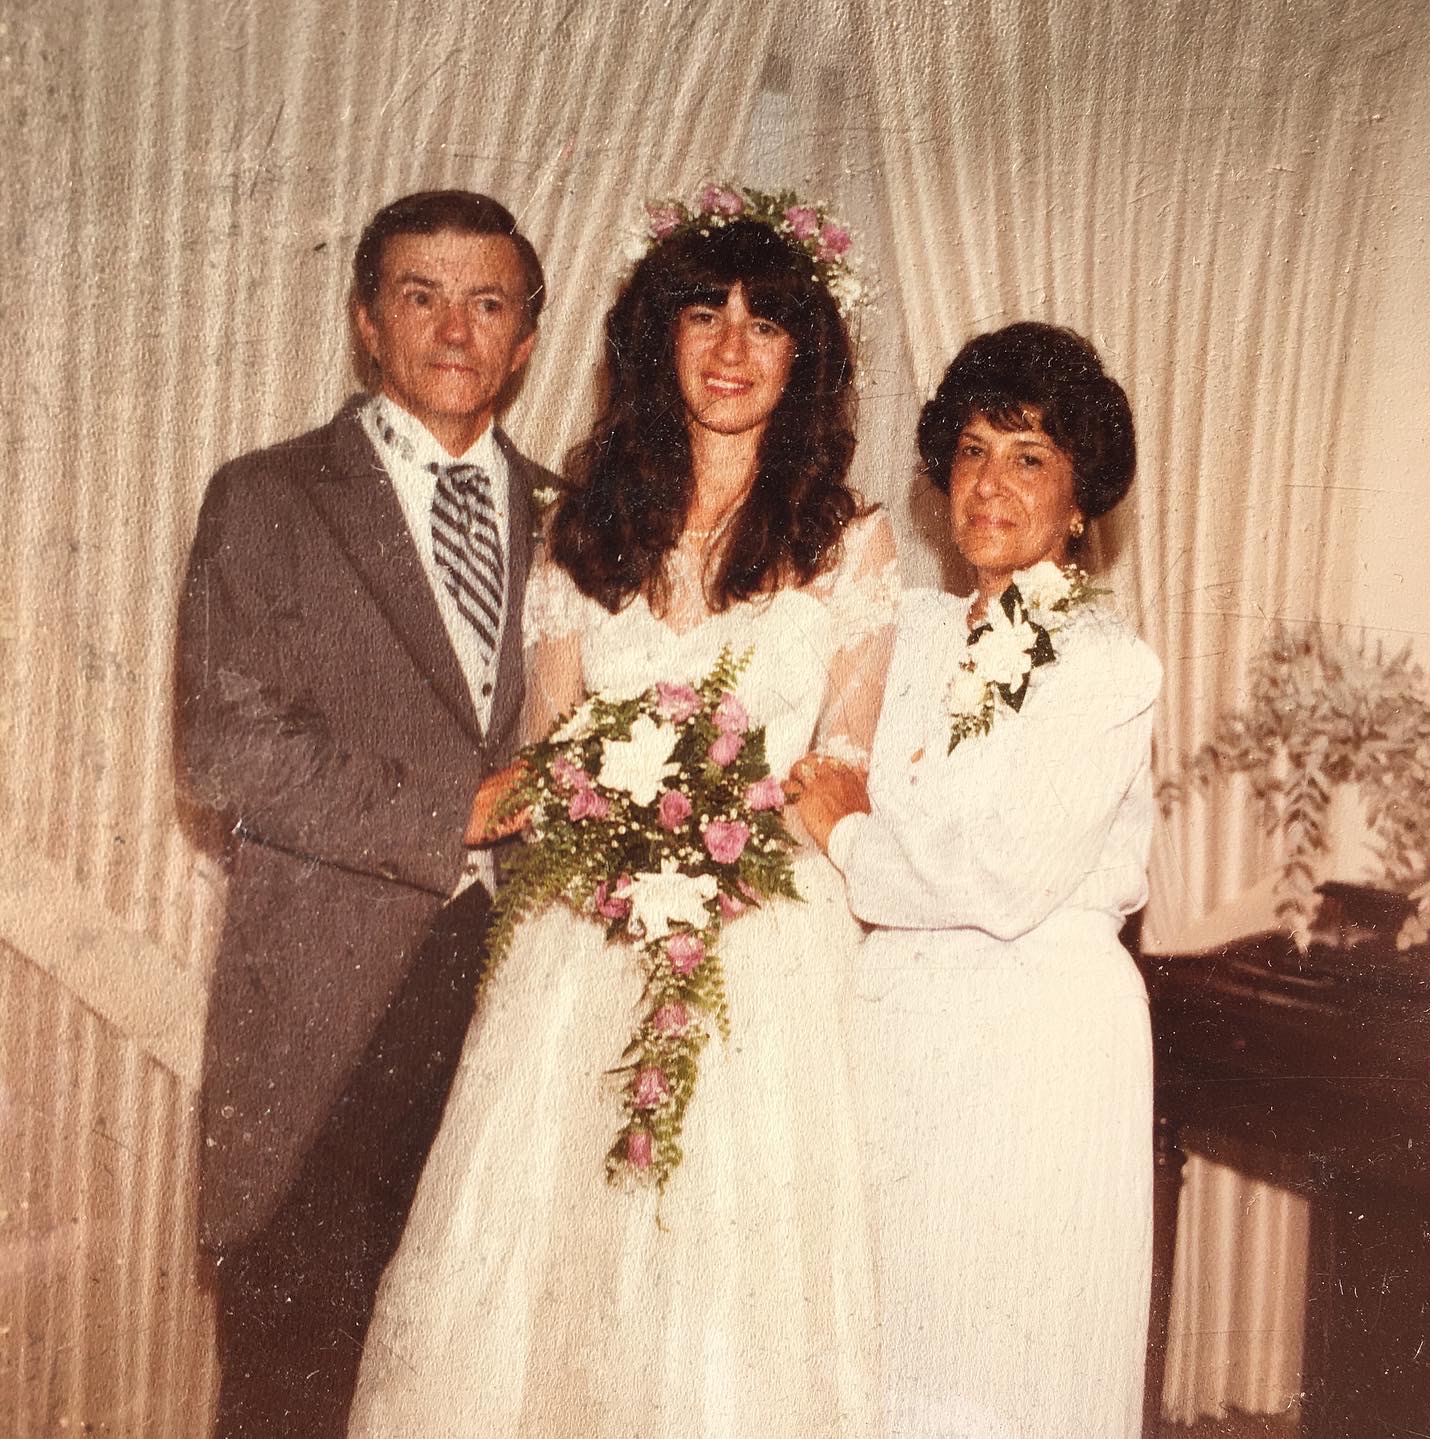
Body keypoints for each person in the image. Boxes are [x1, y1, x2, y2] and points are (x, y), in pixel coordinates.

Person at [347, 189, 899, 1438]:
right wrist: (615, 824)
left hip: (764, 947)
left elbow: (839, 771)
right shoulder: (584, 528)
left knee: (728, 1266)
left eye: (766, 323)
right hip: (589, 934)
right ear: (660, 338)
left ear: (805, 354)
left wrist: (719, 833)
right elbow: (546, 754)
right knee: (553, 1261)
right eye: (704, 315)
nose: (732, 348)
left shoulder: (848, 543)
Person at [175, 189, 556, 1439]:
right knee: (295, 1389)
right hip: (328, 1015)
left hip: (523, 1007)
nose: (453, 329)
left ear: (525, 338)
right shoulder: (271, 498)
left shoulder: (582, 520)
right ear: (366, 322)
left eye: (486, 302)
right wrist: (456, 808)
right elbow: (224, 746)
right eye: (420, 296)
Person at [792, 322, 1161, 1436]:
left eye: (1029, 456)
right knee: (890, 1348)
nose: (991, 483)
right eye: (971, 452)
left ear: (1079, 500)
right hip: (898, 1032)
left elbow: (1003, 878)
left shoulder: (1105, 663)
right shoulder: (906, 628)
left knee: (1009, 1358)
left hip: (1034, 1043)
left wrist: (850, 836)